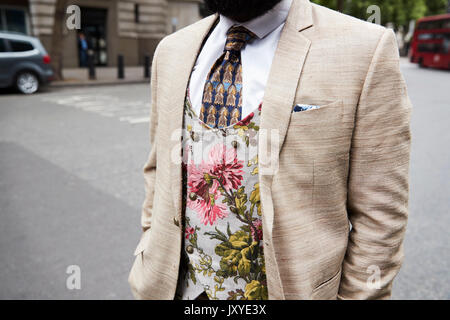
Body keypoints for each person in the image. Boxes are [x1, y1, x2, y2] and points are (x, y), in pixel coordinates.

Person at [128, 0, 412, 300]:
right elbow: (158, 168)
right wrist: (149, 240)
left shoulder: (364, 48)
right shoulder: (172, 50)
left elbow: (380, 215)